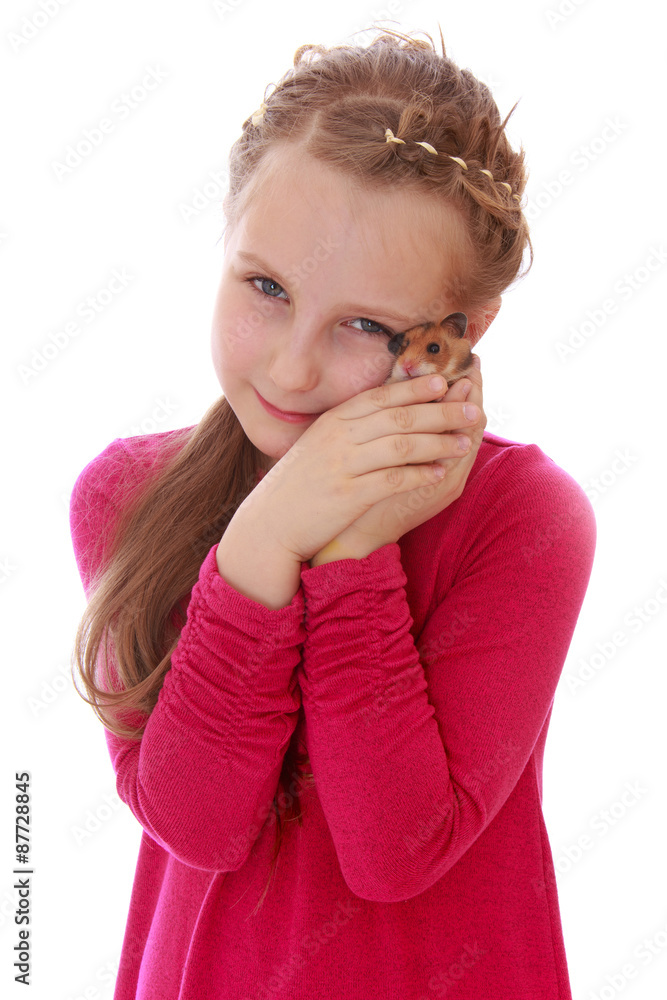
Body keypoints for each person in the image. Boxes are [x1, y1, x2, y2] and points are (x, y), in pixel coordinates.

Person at [69, 25, 596, 1000]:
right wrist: (266, 537)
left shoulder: (526, 517)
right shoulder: (124, 494)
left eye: (362, 324)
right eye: (265, 286)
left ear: (460, 335)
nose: (290, 365)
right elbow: (198, 820)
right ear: (222, 240)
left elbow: (392, 854)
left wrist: (355, 544)